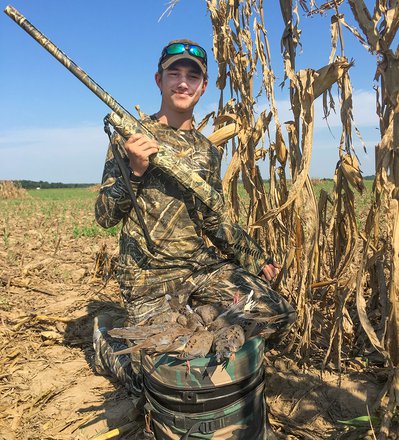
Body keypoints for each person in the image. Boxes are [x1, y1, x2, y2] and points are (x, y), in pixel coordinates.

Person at [93, 39, 295, 397]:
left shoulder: (207, 152)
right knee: (156, 384)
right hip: (148, 277)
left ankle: (198, 317)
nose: (182, 82)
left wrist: (256, 258)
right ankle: (106, 341)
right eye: (174, 73)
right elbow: (105, 216)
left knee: (276, 312)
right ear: (159, 80)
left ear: (203, 87)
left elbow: (214, 221)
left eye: (192, 76)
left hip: (198, 268)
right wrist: (136, 171)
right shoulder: (131, 139)